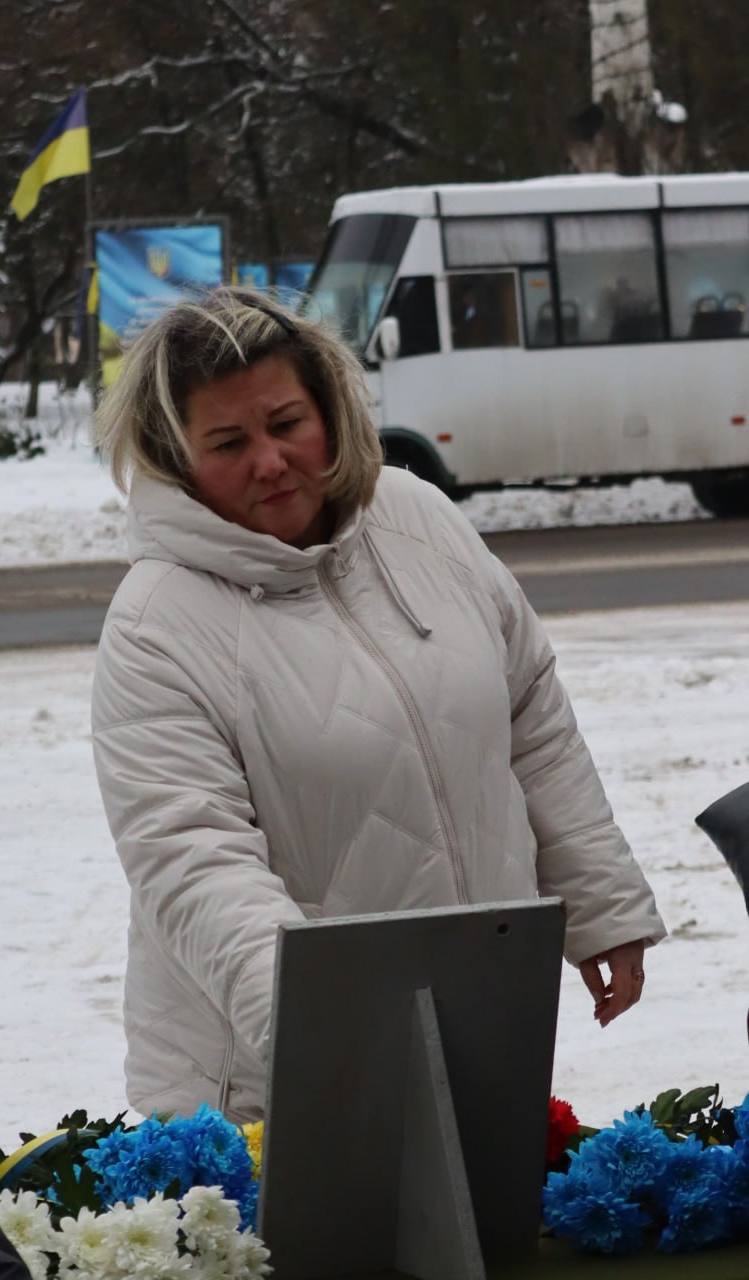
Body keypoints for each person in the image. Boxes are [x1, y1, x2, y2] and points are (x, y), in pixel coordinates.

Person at [91, 285, 666, 1123]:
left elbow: (530, 718)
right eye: (226, 441)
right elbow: (191, 859)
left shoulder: (419, 519)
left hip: (472, 1021)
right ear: (174, 457)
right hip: (270, 1085)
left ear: (328, 407)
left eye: (286, 424)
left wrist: (601, 903)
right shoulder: (155, 625)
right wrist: (325, 1034)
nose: (268, 461)